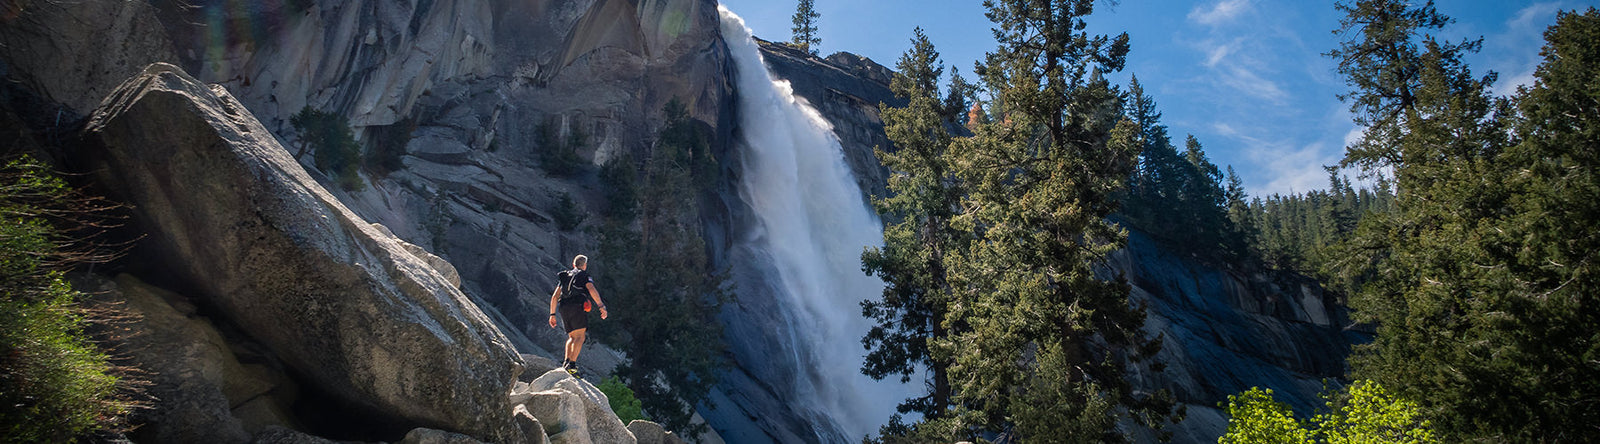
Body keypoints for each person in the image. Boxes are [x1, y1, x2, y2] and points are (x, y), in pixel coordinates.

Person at [549, 254, 607, 377]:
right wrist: (601, 306)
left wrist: (552, 314)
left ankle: (566, 362)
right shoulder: (584, 276)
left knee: (572, 337)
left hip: (563, 307)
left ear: (573, 264)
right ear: (584, 265)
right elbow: (591, 289)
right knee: (580, 337)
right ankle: (572, 366)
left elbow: (555, 296)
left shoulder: (564, 276)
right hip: (577, 306)